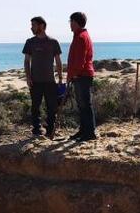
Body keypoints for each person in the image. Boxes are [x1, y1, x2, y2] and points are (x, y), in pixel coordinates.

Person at [23, 16, 63, 139]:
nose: (31, 28)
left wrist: (61, 78)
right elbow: (26, 61)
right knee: (35, 107)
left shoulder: (53, 42)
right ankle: (36, 130)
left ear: (42, 26)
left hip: (50, 81)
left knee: (52, 107)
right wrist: (28, 77)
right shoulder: (30, 42)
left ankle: (50, 130)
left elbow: (58, 61)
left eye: (33, 25)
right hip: (35, 81)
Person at [66, 11, 96, 141]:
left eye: (71, 22)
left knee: (85, 104)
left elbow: (79, 61)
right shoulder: (79, 35)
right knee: (81, 105)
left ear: (76, 22)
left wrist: (73, 75)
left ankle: (89, 133)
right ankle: (84, 130)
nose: (70, 24)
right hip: (80, 75)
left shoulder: (81, 37)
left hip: (82, 75)